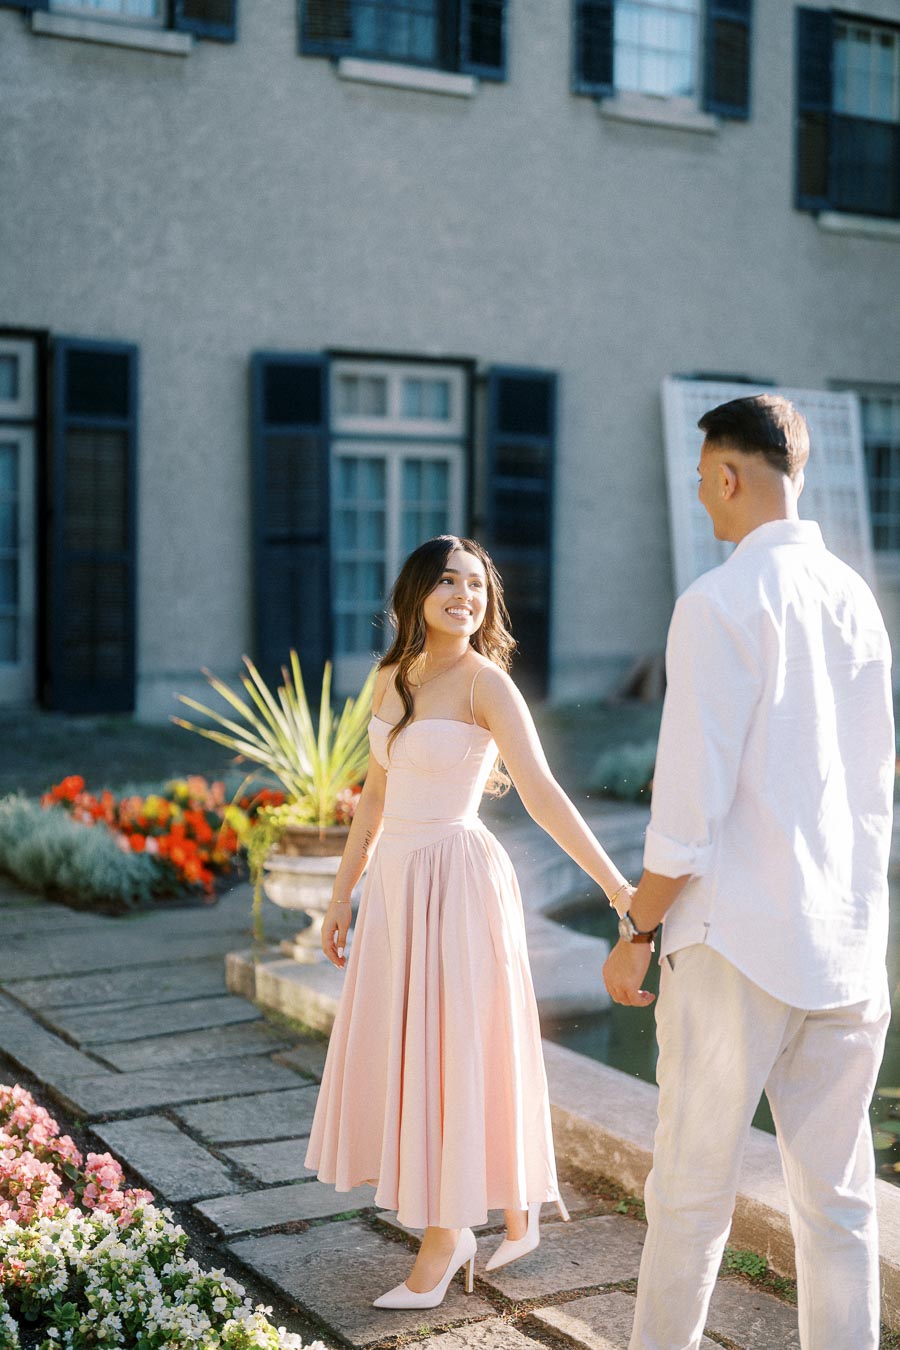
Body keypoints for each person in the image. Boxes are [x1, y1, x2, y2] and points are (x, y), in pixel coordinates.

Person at [603, 394, 894, 1350]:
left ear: (730, 475)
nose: (703, 501)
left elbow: (685, 814)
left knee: (690, 1199)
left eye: (703, 482)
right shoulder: (859, 601)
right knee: (841, 1208)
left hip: (735, 945)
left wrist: (636, 932)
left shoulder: (719, 600)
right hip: (849, 945)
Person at [305, 534, 635, 1309]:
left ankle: (448, 1234)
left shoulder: (489, 683)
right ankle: (508, 1209)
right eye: (449, 581)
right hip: (395, 885)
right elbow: (375, 799)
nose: (466, 595)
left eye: (478, 586)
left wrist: (618, 888)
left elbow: (544, 794)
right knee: (415, 1048)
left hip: (457, 880)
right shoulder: (391, 675)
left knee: (455, 1047)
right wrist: (339, 893)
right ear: (416, 592)